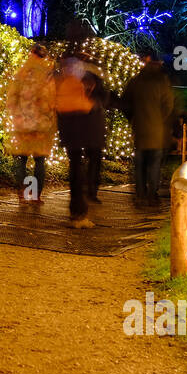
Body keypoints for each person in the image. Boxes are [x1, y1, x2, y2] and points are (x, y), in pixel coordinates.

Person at [55, 21, 110, 228]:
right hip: (87, 124)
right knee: (83, 167)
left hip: (68, 124)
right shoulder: (92, 67)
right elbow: (103, 97)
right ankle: (80, 211)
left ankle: (75, 209)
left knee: (75, 165)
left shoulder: (63, 64)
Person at [119, 52, 175, 208]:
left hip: (139, 130)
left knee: (140, 164)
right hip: (156, 131)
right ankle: (152, 194)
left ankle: (140, 194)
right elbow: (168, 105)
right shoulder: (162, 82)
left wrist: (133, 119)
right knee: (154, 164)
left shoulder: (136, 81)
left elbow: (125, 103)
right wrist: (159, 119)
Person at [3, 44, 56, 206]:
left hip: (23, 123)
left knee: (21, 158)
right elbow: (52, 99)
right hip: (41, 125)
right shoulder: (47, 74)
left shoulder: (22, 73)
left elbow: (11, 97)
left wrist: (16, 116)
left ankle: (23, 192)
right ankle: (35, 196)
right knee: (39, 160)